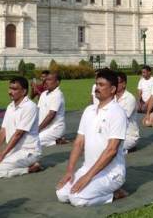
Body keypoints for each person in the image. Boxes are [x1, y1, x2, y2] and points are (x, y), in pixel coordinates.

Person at [56, 69, 128, 207]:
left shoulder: (117, 112)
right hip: (87, 168)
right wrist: (70, 171)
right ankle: (96, 187)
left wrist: (88, 177)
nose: (97, 88)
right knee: (61, 194)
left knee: (77, 199)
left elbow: (112, 150)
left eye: (101, 85)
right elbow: (78, 143)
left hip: (111, 173)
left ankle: (114, 194)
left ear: (112, 89)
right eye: (96, 84)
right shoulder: (89, 110)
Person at [0, 76, 42, 178]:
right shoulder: (10, 106)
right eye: (10, 88)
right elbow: (2, 131)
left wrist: (1, 155)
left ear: (24, 91)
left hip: (29, 151)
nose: (10, 92)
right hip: (14, 150)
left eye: (14, 89)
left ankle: (30, 169)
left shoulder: (30, 107)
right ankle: (25, 166)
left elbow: (18, 134)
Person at [38, 72, 66, 146]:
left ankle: (57, 139)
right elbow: (38, 111)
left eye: (49, 80)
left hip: (55, 128)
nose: (46, 82)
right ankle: (56, 141)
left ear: (57, 82)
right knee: (27, 139)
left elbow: (51, 115)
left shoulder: (57, 94)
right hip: (43, 127)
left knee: (34, 141)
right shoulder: (43, 94)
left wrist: (38, 129)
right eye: (46, 79)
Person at [115, 72, 139, 152]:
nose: (114, 84)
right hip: (115, 134)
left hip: (128, 136)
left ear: (124, 84)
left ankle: (126, 150)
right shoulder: (112, 98)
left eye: (117, 82)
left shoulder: (129, 98)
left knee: (109, 147)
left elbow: (122, 119)